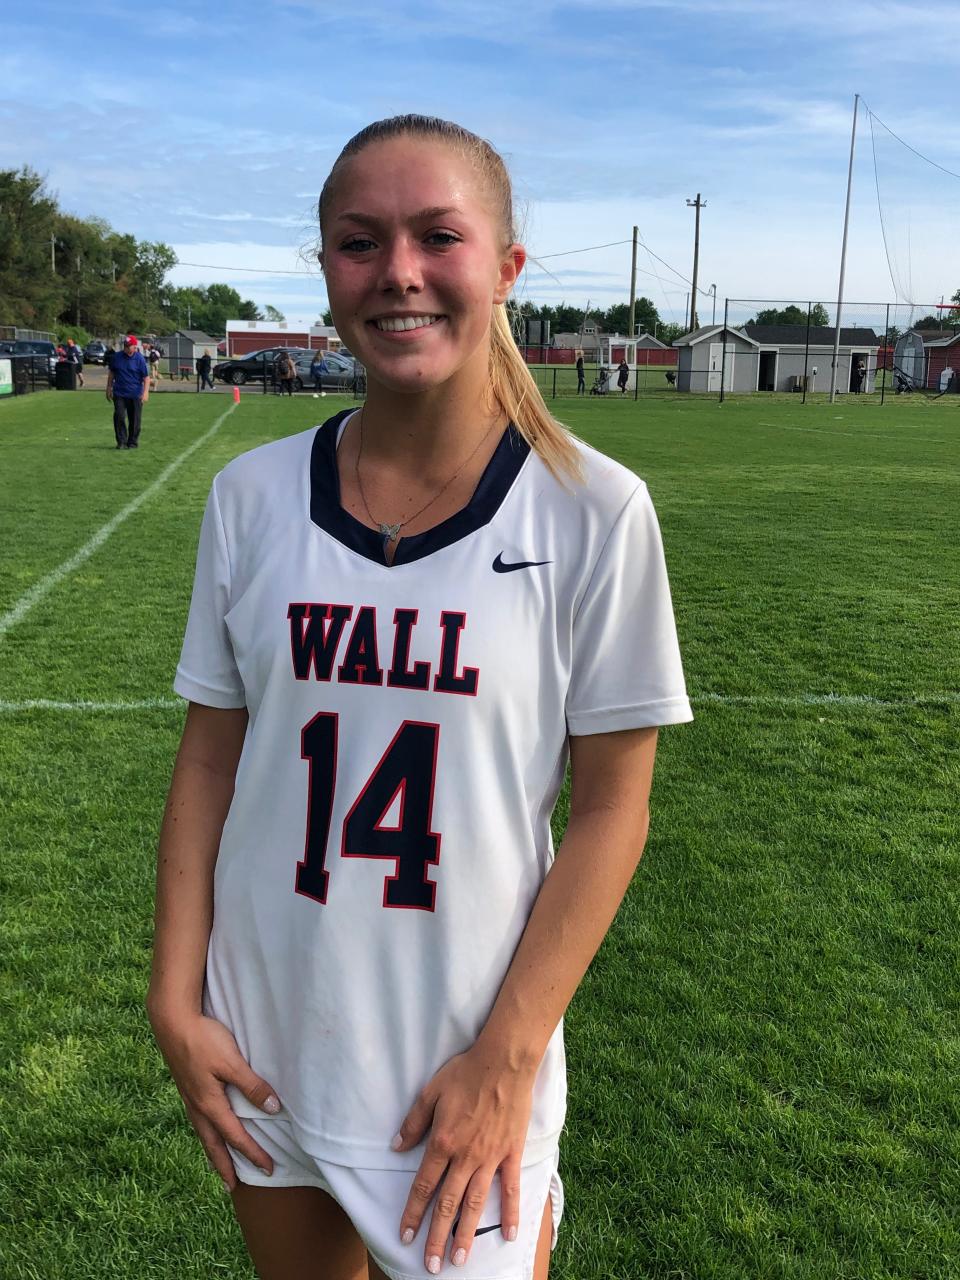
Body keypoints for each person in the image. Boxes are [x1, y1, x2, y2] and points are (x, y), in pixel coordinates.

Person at [147, 114, 692, 1280]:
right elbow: (208, 759)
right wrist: (173, 996)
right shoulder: (250, 498)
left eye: (437, 236)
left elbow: (610, 810)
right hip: (267, 1041)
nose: (397, 271)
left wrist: (508, 1054)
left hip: (460, 1071)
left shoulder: (594, 510)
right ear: (329, 272)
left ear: (504, 268)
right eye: (359, 242)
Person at [106, 334, 149, 448]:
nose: (126, 347)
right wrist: (108, 388)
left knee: (135, 419)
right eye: (125, 345)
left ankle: (132, 442)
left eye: (129, 346)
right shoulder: (117, 357)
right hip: (119, 392)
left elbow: (146, 377)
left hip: (135, 394)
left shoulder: (140, 359)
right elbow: (111, 374)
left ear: (134, 346)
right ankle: (121, 441)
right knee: (119, 416)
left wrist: (145, 392)